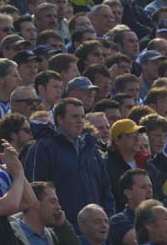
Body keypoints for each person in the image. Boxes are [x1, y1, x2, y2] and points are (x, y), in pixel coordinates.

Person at [25, 98, 115, 230]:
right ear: (60, 119)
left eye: (82, 116)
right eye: (74, 116)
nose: (80, 121)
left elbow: (105, 189)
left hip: (94, 231)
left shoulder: (91, 148)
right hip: (60, 230)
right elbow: (35, 190)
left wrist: (107, 218)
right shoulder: (44, 147)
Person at [105, 119, 146, 212]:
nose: (137, 139)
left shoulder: (147, 163)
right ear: (117, 140)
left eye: (138, 134)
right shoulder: (107, 165)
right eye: (130, 135)